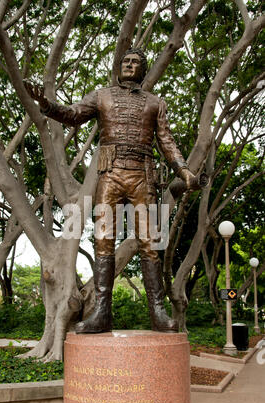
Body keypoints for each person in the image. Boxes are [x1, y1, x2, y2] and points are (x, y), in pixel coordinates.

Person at [24, 48, 195, 334]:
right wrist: (45, 102)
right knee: (103, 240)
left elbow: (167, 142)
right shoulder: (102, 95)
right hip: (110, 175)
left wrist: (184, 171)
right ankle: (102, 311)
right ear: (119, 67)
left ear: (143, 69)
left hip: (142, 175)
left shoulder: (156, 103)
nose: (129, 65)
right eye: (126, 61)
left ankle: (157, 312)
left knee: (150, 242)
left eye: (136, 62)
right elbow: (73, 114)